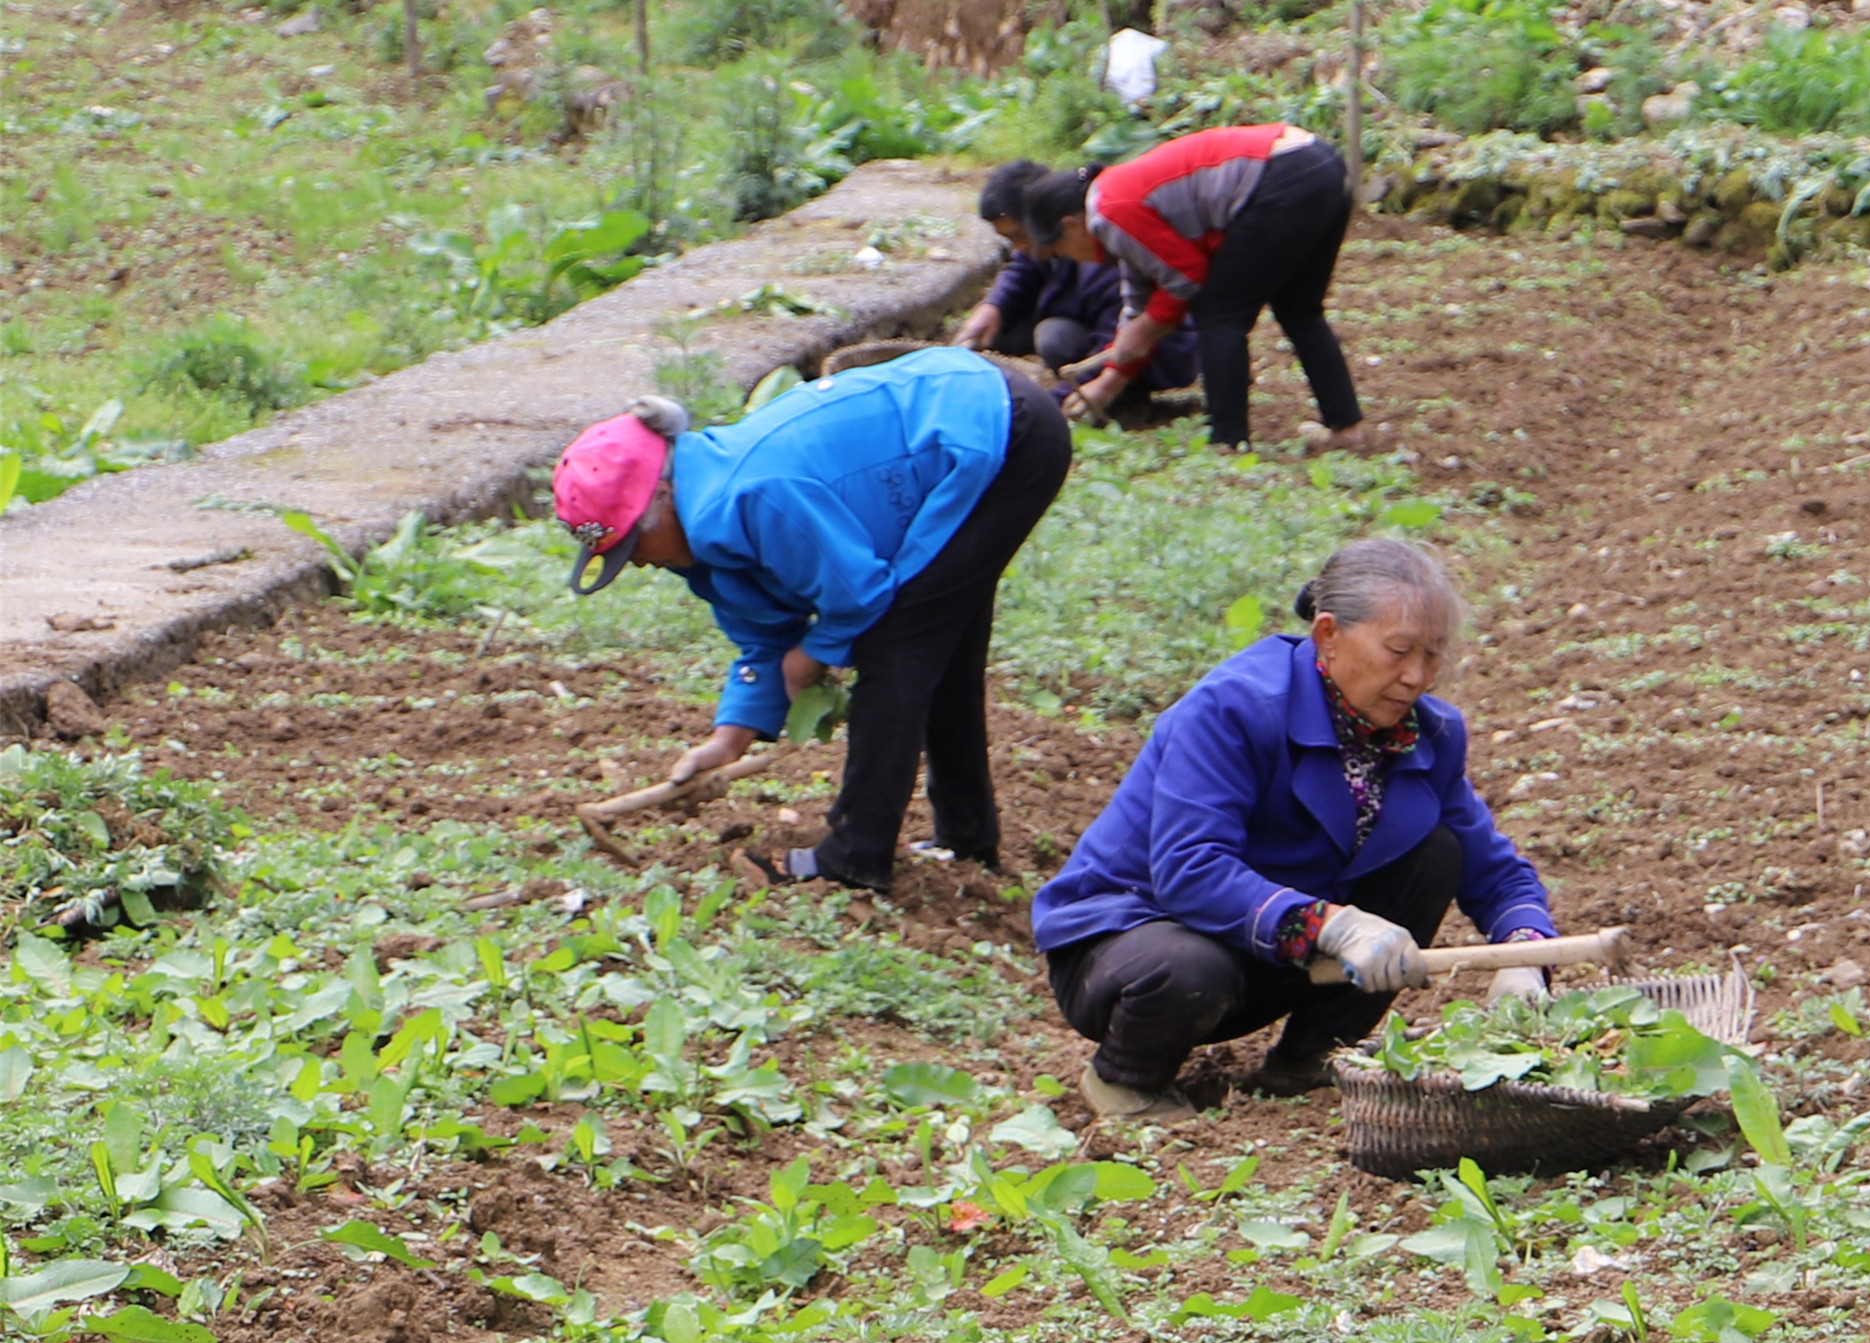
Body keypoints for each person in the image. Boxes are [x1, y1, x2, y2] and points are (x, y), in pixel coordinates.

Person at [1030, 539, 1555, 1122]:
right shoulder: (1236, 707)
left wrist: (1525, 952)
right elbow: (1188, 870)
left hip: (1275, 954)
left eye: (1433, 656)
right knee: (1188, 968)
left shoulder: (1427, 734)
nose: (1416, 677)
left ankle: (1309, 1058)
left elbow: (1491, 867)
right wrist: (1334, 924)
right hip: (1137, 945)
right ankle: (1126, 1078)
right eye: (1399, 651)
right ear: (1328, 634)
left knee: (1434, 853)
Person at [551, 344, 1070, 888]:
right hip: (962, 432)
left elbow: (862, 595)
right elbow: (763, 636)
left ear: (661, 495)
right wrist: (730, 738)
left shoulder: (756, 495)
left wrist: (815, 655)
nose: (633, 561)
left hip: (997, 432)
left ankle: (854, 857)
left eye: (631, 543)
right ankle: (965, 840)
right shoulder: (698, 538)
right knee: (936, 643)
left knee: (897, 647)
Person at [1023, 123, 1368, 451]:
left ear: (1070, 226)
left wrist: (1143, 329)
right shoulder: (1113, 203)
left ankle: (1227, 441)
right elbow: (1141, 301)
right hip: (1318, 162)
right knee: (1299, 309)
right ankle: (1346, 427)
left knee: (1218, 313)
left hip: (1282, 174)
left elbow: (1188, 276)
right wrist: (1110, 381)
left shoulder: (1112, 210)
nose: (1072, 258)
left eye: (1060, 250)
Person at [953, 159, 1198, 396]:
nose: (1018, 248)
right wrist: (992, 307)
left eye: (1019, 236)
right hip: (1098, 321)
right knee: (1000, 330)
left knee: (1053, 337)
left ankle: (1126, 392)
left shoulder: (1099, 252)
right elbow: (1024, 269)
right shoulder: (1057, 237)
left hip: (1150, 351)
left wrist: (1072, 395)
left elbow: (1121, 334)